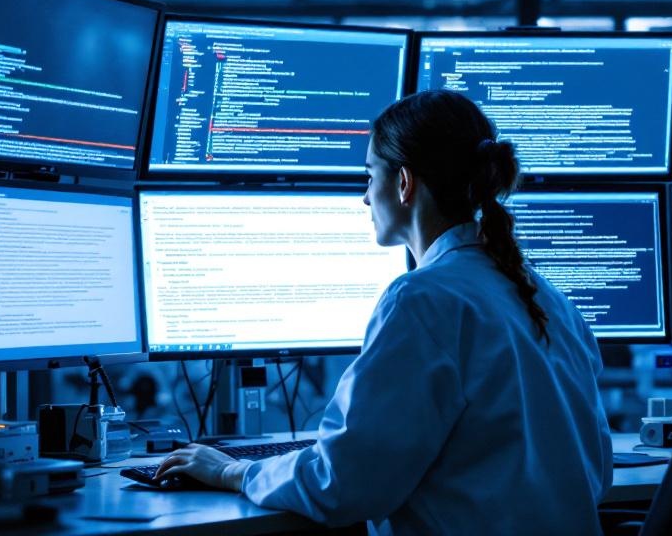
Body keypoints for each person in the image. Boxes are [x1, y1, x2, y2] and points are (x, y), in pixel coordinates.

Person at [155, 89, 613, 534]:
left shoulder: (422, 299)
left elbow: (343, 486)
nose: (364, 196)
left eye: (370, 175)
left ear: (404, 183)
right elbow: (597, 470)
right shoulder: (543, 294)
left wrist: (231, 472)